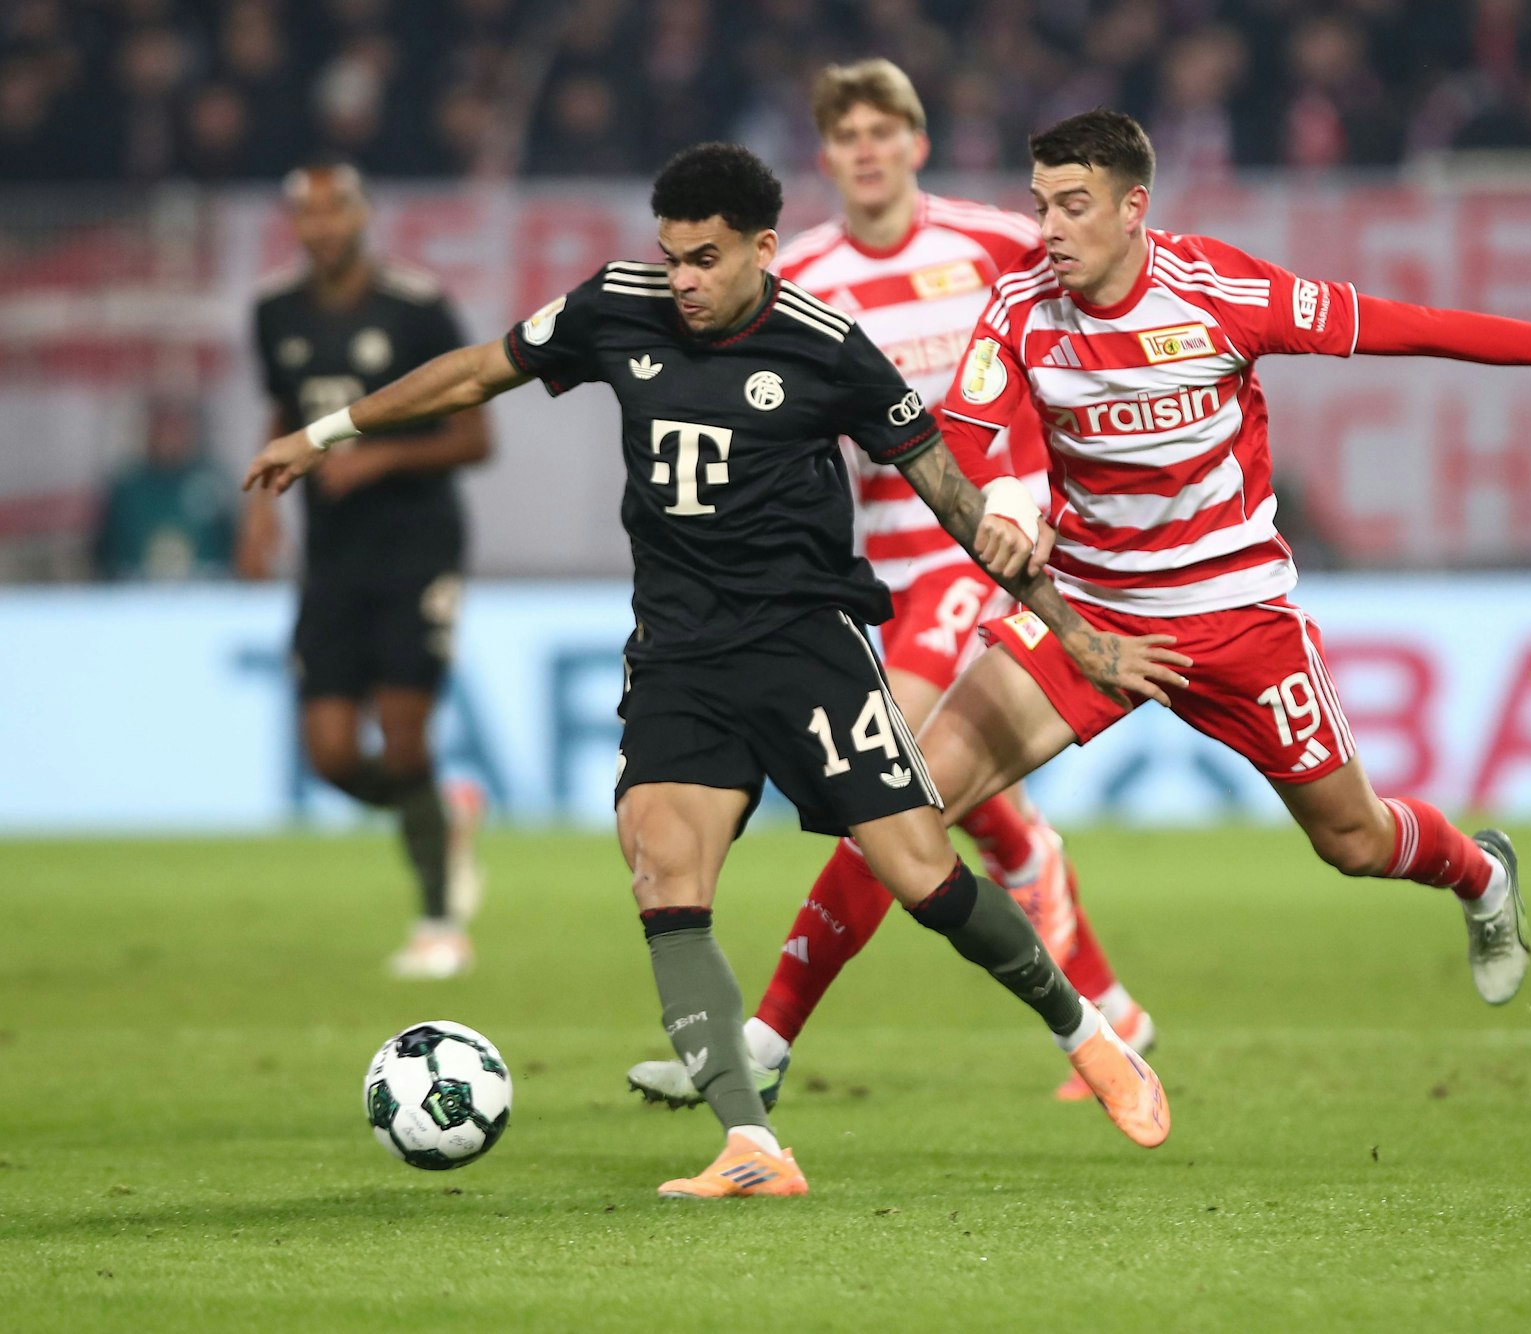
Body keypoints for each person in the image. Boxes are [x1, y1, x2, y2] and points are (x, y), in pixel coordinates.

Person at [243, 143, 1187, 1200]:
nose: (682, 280)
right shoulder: (618, 307)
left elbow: (955, 502)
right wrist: (324, 431)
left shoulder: (830, 349)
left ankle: (1087, 1028)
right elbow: (473, 373)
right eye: (671, 257)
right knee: (661, 866)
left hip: (805, 648)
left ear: (762, 248)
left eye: (704, 258)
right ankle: (753, 1145)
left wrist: (1072, 629)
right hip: (681, 653)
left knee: (923, 875)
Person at [778, 108, 1531, 1021]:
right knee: (904, 804)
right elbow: (968, 435)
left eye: (1071, 205)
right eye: (1039, 205)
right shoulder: (1020, 306)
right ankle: (759, 1047)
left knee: (1351, 840)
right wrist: (1012, 500)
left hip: (1236, 617)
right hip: (1088, 618)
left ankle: (1479, 871)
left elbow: (1406, 325)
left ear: (1131, 207)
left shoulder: (1219, 293)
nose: (1050, 229)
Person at [625, 59, 1156, 1114]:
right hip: (864, 578)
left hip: (972, 562)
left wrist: (1035, 483)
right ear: (826, 159)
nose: (867, 151)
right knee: (935, 807)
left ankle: (766, 1035)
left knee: (892, 794)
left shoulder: (991, 240)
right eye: (847, 136)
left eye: (884, 131)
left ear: (915, 143)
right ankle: (1101, 991)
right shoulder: (797, 274)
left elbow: (1080, 319)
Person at [238, 161, 492, 980]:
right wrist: (260, 513)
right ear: (295, 226)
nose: (321, 227)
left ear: (362, 216)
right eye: (306, 214)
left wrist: (374, 457)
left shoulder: (416, 309)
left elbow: (475, 438)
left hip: (416, 548)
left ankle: (438, 919)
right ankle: (441, 817)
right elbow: (283, 408)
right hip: (333, 557)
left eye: (334, 211)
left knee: (405, 726)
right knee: (332, 755)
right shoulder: (273, 313)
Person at [91, 395, 237, 581]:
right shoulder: (126, 488)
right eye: (163, 426)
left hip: (203, 599)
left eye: (177, 427)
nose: (169, 436)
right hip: (134, 600)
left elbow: (233, 550)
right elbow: (105, 555)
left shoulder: (215, 484)